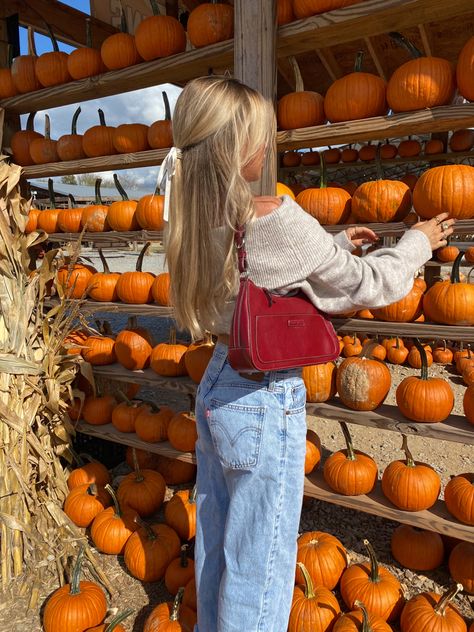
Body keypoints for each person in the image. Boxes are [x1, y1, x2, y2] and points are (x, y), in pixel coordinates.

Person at [163, 75, 455, 632]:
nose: (268, 148)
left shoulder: (189, 212)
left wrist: (335, 245)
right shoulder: (279, 217)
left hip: (218, 384)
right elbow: (371, 285)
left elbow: (257, 276)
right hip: (263, 398)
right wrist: (417, 241)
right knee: (263, 567)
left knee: (220, 547)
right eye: (261, 138)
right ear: (237, 148)